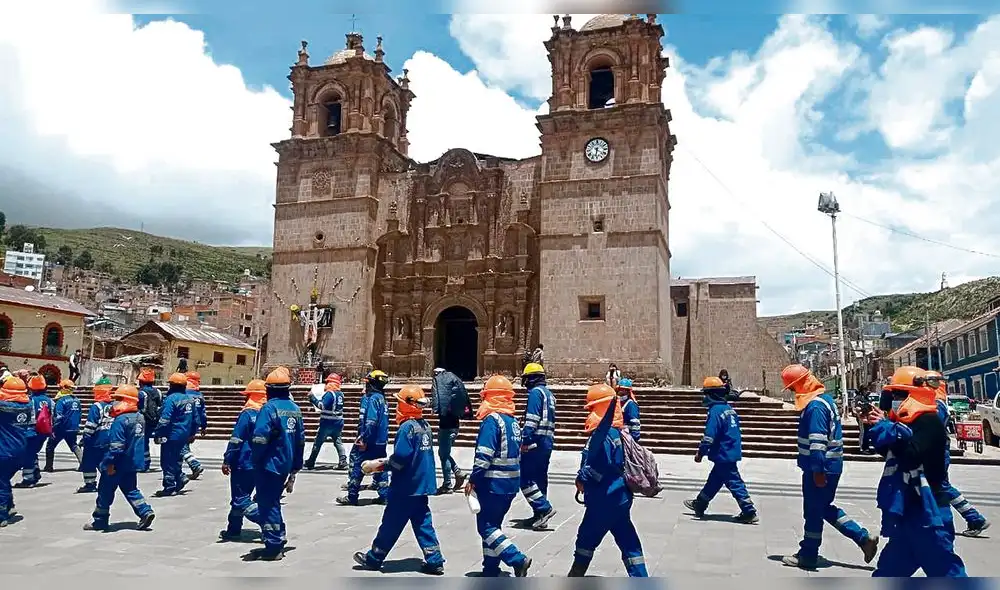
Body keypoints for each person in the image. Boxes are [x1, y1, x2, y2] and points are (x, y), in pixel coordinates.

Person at [865, 366, 967, 577]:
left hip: (929, 512)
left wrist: (888, 428)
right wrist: (876, 427)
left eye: (898, 395)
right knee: (889, 572)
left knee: (946, 572)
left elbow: (911, 455)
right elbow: (890, 452)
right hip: (908, 512)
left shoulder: (929, 422)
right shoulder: (905, 423)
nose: (894, 400)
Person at [780, 364, 879, 569]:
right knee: (823, 508)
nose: (792, 392)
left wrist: (818, 470)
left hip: (820, 467)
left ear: (800, 385)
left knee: (813, 512)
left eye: (793, 387)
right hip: (829, 465)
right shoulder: (825, 400)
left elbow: (817, 442)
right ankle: (862, 538)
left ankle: (808, 554)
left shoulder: (815, 407)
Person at [353, 384, 446, 575]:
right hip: (421, 485)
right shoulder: (424, 426)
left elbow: (401, 458)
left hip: (406, 486)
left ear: (406, 404)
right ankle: (434, 559)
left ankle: (374, 558)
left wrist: (379, 465)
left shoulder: (406, 428)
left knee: (391, 523)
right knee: (423, 523)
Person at [569, 383, 647, 577]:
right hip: (620, 497)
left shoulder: (603, 436)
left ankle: (576, 575)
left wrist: (582, 479)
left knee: (586, 538)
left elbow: (598, 467)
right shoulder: (617, 432)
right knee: (629, 542)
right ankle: (640, 577)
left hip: (604, 498)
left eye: (592, 408)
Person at [466, 375, 531, 577]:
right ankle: (490, 568)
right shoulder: (512, 422)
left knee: (485, 527)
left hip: (493, 483)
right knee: (494, 527)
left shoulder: (492, 421)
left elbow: (484, 455)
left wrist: (473, 479)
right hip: (510, 484)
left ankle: (517, 559)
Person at [683, 377, 758, 524]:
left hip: (723, 453)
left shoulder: (715, 411)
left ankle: (749, 510)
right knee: (715, 479)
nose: (704, 397)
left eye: (706, 394)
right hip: (730, 450)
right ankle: (700, 503)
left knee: (734, 481)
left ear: (711, 394)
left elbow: (709, 436)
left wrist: (700, 452)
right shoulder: (729, 409)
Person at [924, 370, 990, 537]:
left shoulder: (935, 406)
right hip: (937, 452)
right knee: (940, 486)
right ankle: (971, 518)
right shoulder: (937, 404)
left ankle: (974, 518)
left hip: (937, 453)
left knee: (941, 486)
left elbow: (931, 431)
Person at [249, 368, 305, 561]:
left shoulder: (269, 408)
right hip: (285, 464)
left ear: (269, 389)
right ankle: (278, 537)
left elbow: (259, 438)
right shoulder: (295, 409)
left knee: (268, 505)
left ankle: (273, 546)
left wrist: (256, 459)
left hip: (269, 464)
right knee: (273, 502)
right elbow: (300, 440)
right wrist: (296, 465)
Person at [84, 384, 155, 532]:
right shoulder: (140, 417)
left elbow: (117, 447)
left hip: (117, 464)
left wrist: (110, 463)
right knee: (131, 489)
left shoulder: (121, 420)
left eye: (118, 399)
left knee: (105, 492)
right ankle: (145, 511)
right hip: (132, 462)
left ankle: (100, 521)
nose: (115, 402)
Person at [219, 379, 265, 541]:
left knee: (240, 499)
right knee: (241, 496)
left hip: (243, 462)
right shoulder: (267, 414)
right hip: (260, 463)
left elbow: (236, 439)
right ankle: (233, 529)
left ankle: (268, 521)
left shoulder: (247, 414)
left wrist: (227, 459)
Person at [338, 370, 390, 506]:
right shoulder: (383, 399)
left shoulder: (372, 399)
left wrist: (363, 438)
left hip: (370, 440)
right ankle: (384, 495)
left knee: (358, 465)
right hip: (381, 440)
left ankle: (352, 495)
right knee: (380, 466)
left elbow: (371, 422)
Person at [519, 362, 557, 529]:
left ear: (531, 378)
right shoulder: (549, 394)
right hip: (547, 440)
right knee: (540, 478)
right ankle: (540, 515)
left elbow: (532, 420)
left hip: (535, 441)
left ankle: (543, 508)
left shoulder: (535, 393)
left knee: (525, 478)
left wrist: (525, 440)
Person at [153, 373, 197, 497]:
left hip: (171, 434)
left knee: (167, 461)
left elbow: (165, 419)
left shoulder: (171, 399)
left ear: (172, 385)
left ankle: (169, 487)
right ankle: (180, 478)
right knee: (177, 459)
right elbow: (195, 419)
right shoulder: (190, 399)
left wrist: (158, 433)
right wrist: (192, 433)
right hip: (184, 434)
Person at [431, 367, 472, 494]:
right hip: (455, 425)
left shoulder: (439, 382)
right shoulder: (455, 381)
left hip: (446, 426)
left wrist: (435, 408)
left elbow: (436, 398)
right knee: (444, 453)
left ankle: (447, 485)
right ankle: (458, 473)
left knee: (443, 455)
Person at [0, 377, 30, 527]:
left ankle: (2, 515)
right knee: (4, 479)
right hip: (21, 451)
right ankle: (10, 507)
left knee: (1, 482)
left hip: (5, 450)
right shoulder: (28, 406)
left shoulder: (3, 407)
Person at [15, 374, 55, 488]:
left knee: (27, 454)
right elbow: (53, 417)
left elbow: (27, 417)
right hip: (44, 432)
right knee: (33, 452)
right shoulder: (50, 401)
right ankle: (35, 471)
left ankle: (28, 479)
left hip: (31, 432)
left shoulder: (30, 400)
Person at [77, 378, 115, 493]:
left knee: (89, 461)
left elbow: (91, 425)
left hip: (96, 439)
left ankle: (90, 484)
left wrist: (85, 438)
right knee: (105, 461)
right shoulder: (114, 405)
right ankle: (108, 481)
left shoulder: (97, 406)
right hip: (110, 438)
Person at [305, 373, 347, 470]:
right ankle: (343, 461)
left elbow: (321, 405)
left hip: (327, 423)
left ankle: (311, 461)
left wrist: (312, 398)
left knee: (318, 442)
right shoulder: (341, 394)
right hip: (338, 422)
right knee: (338, 441)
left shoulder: (330, 394)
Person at [44, 379, 83, 472]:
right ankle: (83, 464)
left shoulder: (61, 401)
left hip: (61, 428)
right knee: (74, 446)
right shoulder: (77, 400)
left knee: (50, 446)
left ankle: (49, 466)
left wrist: (53, 429)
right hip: (73, 428)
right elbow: (80, 415)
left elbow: (58, 416)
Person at [137, 368, 162, 472]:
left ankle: (144, 464)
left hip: (144, 420)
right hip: (156, 420)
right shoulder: (158, 392)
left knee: (143, 442)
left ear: (141, 382)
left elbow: (139, 408)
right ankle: (146, 463)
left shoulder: (141, 393)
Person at [181, 371, 206, 480]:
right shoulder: (199, 396)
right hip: (195, 425)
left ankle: (195, 465)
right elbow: (203, 414)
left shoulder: (184, 394)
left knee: (181, 446)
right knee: (184, 445)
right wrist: (203, 427)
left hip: (184, 423)